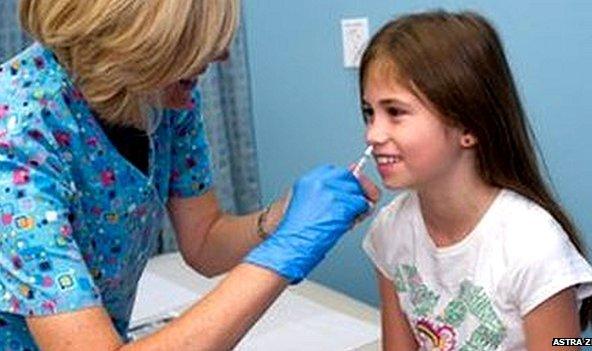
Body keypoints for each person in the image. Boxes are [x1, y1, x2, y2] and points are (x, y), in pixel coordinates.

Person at [0, 0, 379, 350]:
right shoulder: (16, 134)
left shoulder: (163, 92)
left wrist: (283, 216)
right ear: (131, 36)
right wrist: (286, 253)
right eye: (193, 42)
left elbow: (205, 242)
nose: (222, 55)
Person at [359, 10, 592, 350]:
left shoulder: (533, 247)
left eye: (395, 112)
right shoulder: (390, 230)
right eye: (369, 112)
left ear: (469, 128)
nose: (373, 133)